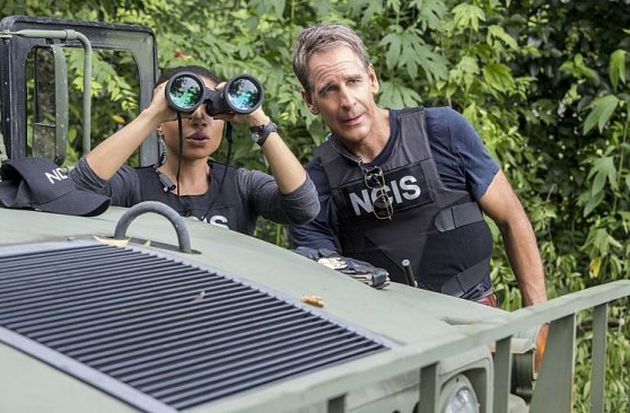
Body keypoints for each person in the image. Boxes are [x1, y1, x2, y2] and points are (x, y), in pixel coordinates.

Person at [288, 23, 547, 307]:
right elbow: (319, 277)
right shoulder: (314, 183)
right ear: (310, 101)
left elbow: (512, 219)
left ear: (372, 79)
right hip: (390, 326)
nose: (347, 101)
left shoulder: (443, 130)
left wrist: (539, 318)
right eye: (329, 90)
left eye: (353, 81)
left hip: (475, 316)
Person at [70, 65, 319, 234]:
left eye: (211, 110)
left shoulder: (242, 186)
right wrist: (152, 114)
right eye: (185, 110)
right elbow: (74, 192)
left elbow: (304, 207)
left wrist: (259, 121)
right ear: (159, 125)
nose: (200, 120)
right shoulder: (132, 185)